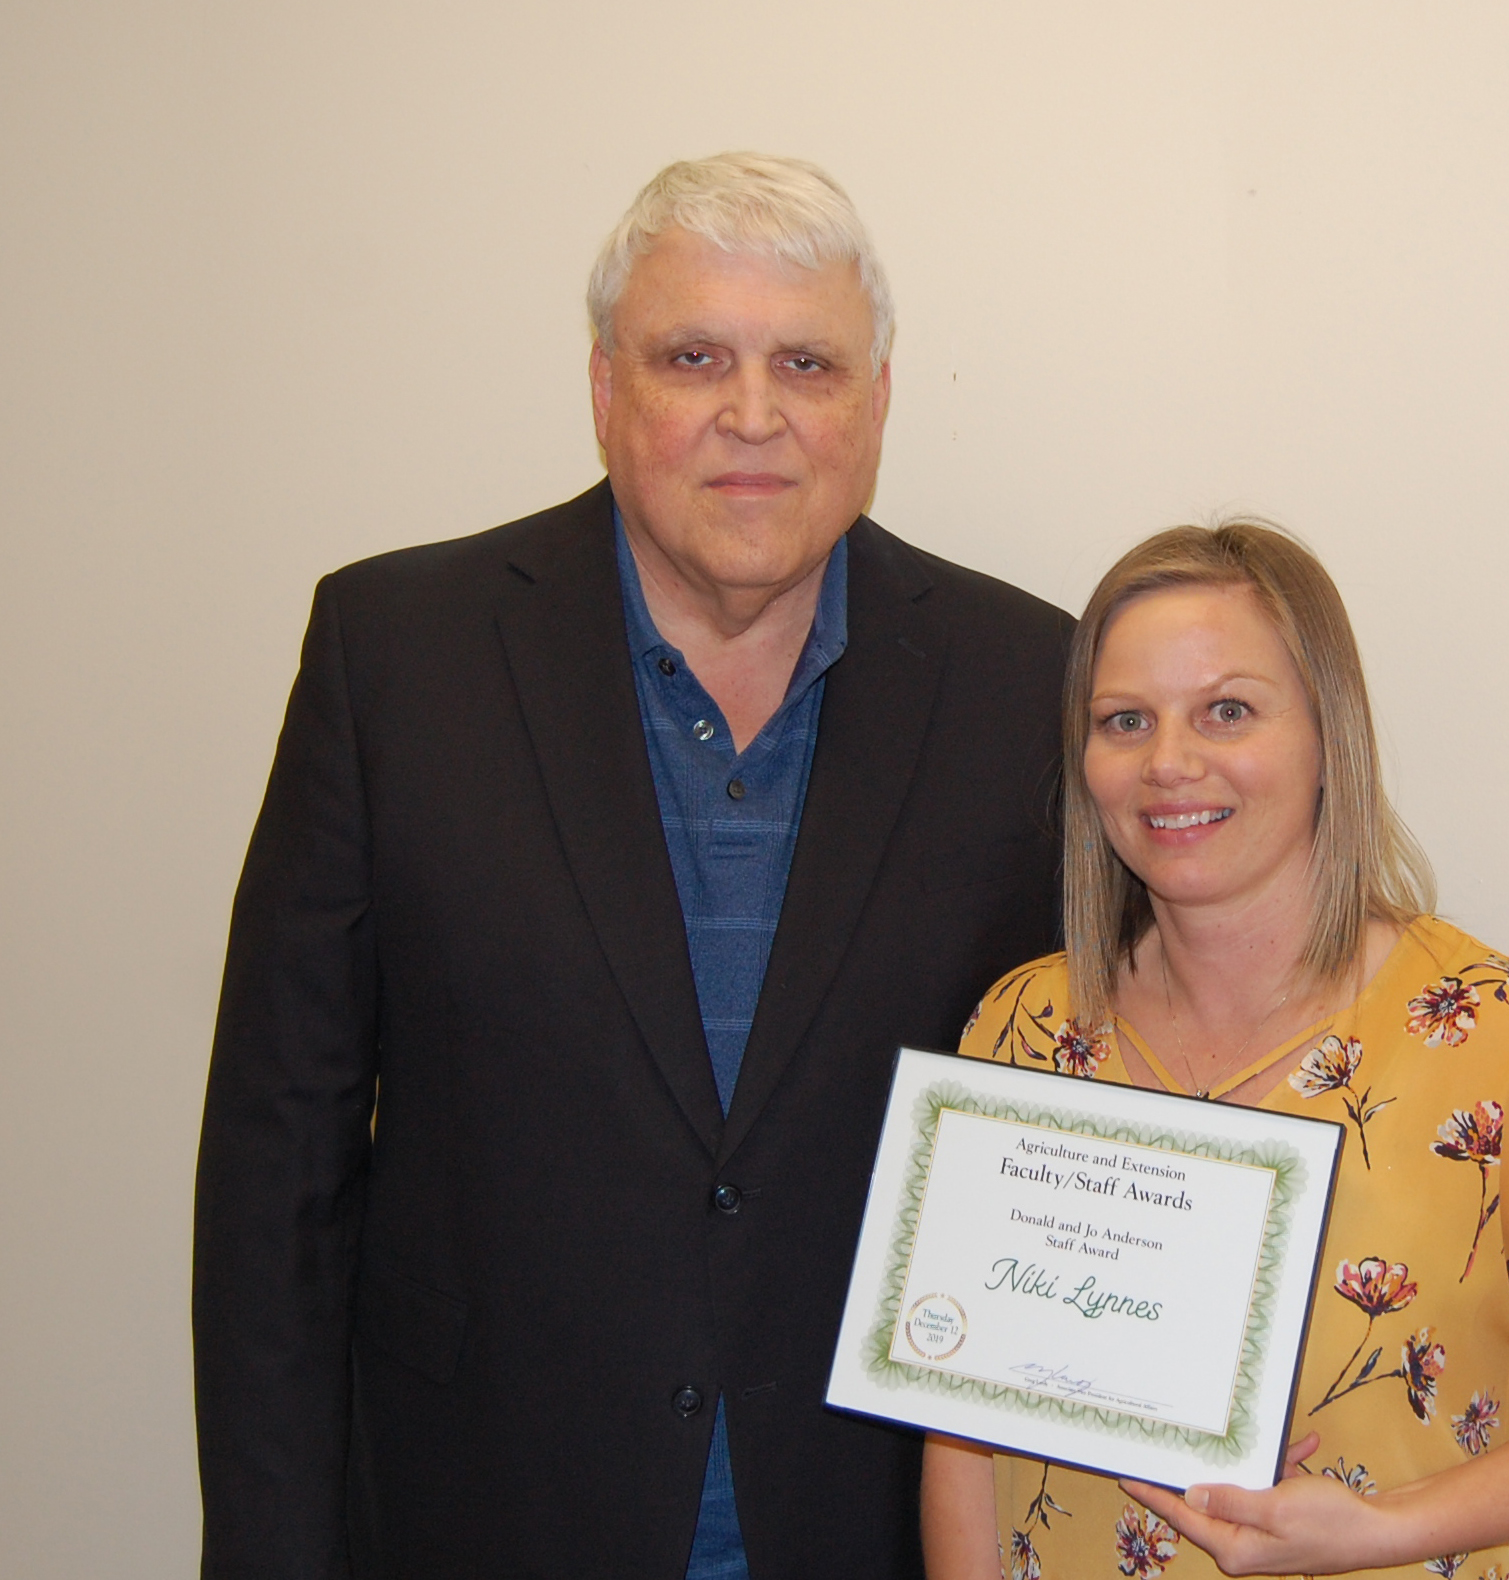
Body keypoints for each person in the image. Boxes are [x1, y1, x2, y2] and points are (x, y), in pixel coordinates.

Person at [192, 153, 1071, 1579]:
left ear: (879, 404)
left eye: (808, 362)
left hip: (883, 1531)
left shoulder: (1027, 680)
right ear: (606, 389)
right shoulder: (396, 657)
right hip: (476, 1516)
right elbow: (277, 1176)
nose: (754, 413)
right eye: (692, 357)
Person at [923, 522, 1509, 1579]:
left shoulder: (1490, 1035)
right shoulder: (1024, 1028)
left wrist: (1391, 1526)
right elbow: (953, 1411)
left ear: (1326, 735)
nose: (1168, 760)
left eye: (1227, 709)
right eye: (1123, 719)